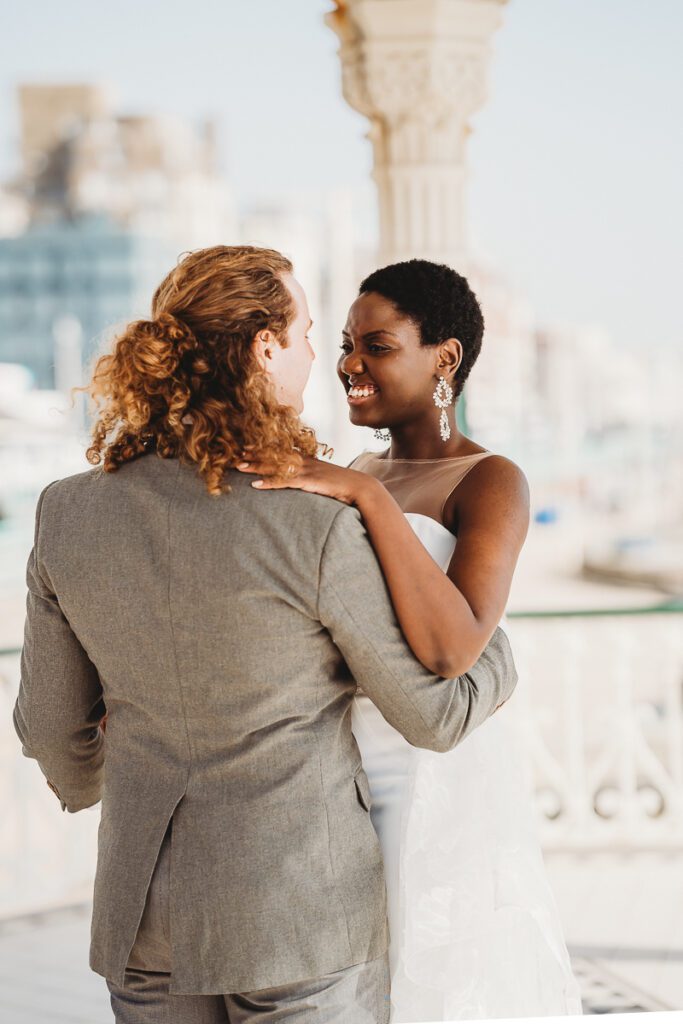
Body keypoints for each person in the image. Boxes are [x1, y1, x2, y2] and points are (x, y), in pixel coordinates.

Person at [13, 245, 518, 1024]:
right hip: (299, 919)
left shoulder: (64, 513)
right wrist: (501, 651)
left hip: (143, 919)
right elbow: (435, 714)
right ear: (264, 347)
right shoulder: (313, 523)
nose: (323, 354)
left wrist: (93, 780)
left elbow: (49, 723)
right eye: (311, 332)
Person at [238, 258, 583, 1021]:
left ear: (445, 358)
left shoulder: (489, 480)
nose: (348, 365)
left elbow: (452, 648)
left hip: (435, 781)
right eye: (342, 344)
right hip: (336, 773)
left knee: (432, 979)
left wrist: (363, 495)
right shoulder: (356, 464)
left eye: (377, 346)